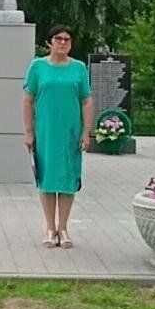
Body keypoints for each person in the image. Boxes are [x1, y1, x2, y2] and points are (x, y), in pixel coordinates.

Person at [23, 25, 94, 249]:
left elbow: (86, 100)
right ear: (50, 42)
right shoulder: (37, 67)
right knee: (47, 179)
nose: (63, 42)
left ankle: (63, 227)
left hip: (71, 131)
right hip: (45, 131)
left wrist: (86, 131)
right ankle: (49, 227)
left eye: (67, 39)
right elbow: (28, 99)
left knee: (67, 180)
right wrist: (29, 131)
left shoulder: (79, 68)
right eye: (58, 38)